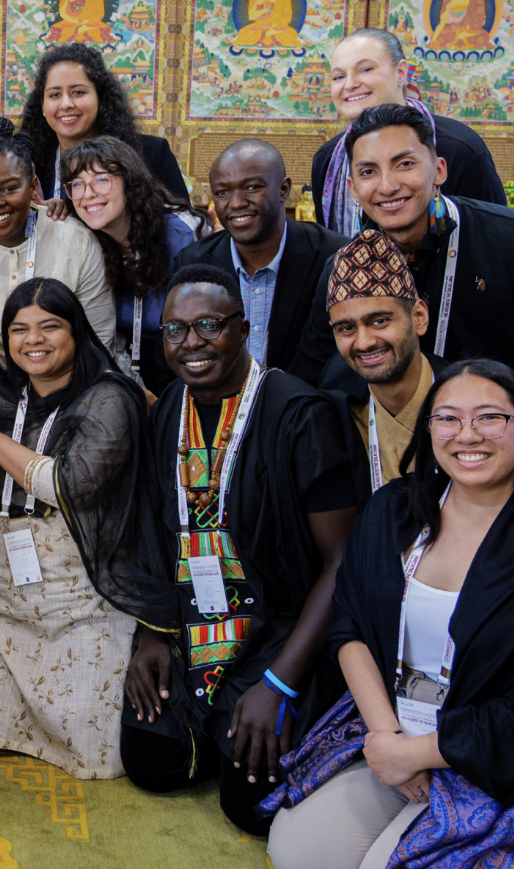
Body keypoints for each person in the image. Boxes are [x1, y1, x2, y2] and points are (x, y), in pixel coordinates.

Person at [117, 264, 357, 835]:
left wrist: (280, 682)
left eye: (209, 325)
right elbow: (154, 530)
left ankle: (250, 719)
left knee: (250, 807)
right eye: (175, 330)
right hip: (190, 620)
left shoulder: (300, 416)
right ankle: (213, 728)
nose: (191, 343)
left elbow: (341, 563)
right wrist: (153, 634)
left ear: (243, 329)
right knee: (151, 764)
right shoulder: (169, 408)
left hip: (273, 628)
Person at [265, 360, 514, 869]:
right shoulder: (395, 508)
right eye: (448, 418)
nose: (467, 435)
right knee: (300, 860)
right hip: (396, 730)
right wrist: (386, 739)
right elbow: (348, 625)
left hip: (492, 759)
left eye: (490, 417)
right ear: (429, 428)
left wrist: (418, 755)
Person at [0, 279, 160, 778]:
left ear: (76, 331)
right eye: (19, 329)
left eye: (49, 326)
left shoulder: (108, 398)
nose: (33, 340)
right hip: (9, 589)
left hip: (86, 592)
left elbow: (70, 486)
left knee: (98, 758)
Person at [291, 103, 514, 385]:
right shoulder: (343, 269)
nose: (387, 187)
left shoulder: (504, 239)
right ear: (353, 189)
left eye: (405, 164)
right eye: (368, 172)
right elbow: (309, 378)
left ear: (439, 170)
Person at [0, 116, 115, 382]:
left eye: (9, 188)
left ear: (32, 188)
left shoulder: (77, 242)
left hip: (71, 383)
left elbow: (98, 339)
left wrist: (58, 395)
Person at [177, 139, 347, 376]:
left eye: (252, 187)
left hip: (307, 397)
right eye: (222, 192)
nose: (237, 203)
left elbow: (328, 357)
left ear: (283, 189)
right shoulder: (194, 262)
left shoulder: (334, 256)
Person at [312, 28, 504, 235]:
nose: (350, 84)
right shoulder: (328, 160)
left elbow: (495, 235)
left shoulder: (458, 148)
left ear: (401, 73)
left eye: (365, 69)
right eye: (339, 77)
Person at [61, 135, 200, 396]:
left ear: (129, 180)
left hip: (182, 366)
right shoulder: (85, 239)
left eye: (101, 179)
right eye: (77, 184)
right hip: (120, 368)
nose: (88, 193)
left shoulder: (179, 234)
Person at [320, 228, 448, 509]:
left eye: (379, 321)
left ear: (419, 317)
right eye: (346, 328)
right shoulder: (334, 417)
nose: (364, 342)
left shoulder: (471, 406)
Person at [17, 43, 189, 205]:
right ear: (42, 105)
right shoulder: (26, 163)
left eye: (78, 92)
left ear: (101, 99)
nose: (66, 104)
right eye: (55, 95)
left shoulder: (152, 154)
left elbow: (182, 222)